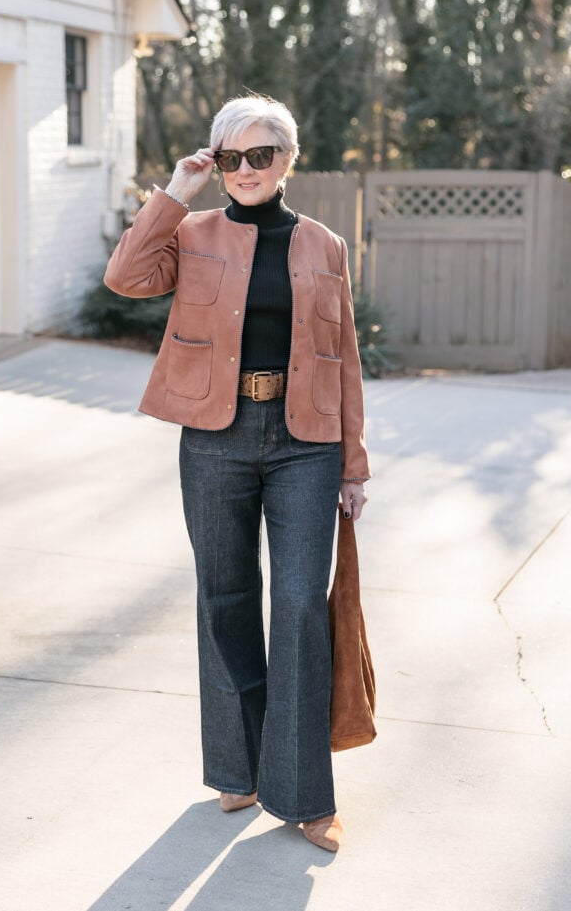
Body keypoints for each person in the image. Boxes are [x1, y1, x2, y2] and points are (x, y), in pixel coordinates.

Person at [104, 94, 370, 853]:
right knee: (222, 598)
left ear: (287, 159)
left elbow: (343, 359)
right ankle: (237, 768)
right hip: (213, 437)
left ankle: (305, 796)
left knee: (296, 606)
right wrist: (175, 191)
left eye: (260, 155)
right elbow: (124, 277)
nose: (245, 170)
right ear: (215, 162)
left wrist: (353, 463)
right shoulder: (190, 233)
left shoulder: (324, 245)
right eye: (230, 157)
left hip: (304, 444)